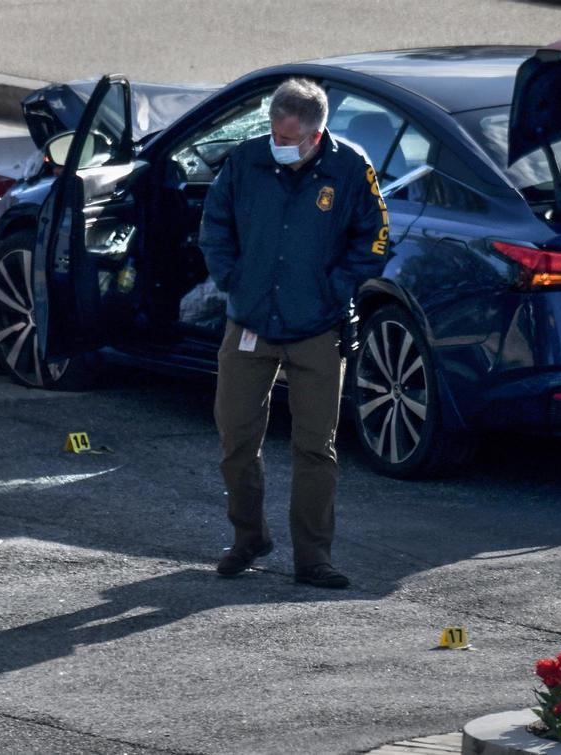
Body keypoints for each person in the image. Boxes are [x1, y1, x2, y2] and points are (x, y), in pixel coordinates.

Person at [199, 77, 389, 589]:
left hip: (316, 328)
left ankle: (313, 556)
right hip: (251, 322)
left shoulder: (351, 168)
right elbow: (214, 225)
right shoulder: (244, 162)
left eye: (288, 139)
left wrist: (336, 287)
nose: (277, 146)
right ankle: (248, 537)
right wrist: (234, 278)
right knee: (235, 436)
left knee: (314, 447)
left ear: (316, 134)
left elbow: (375, 238)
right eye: (273, 135)